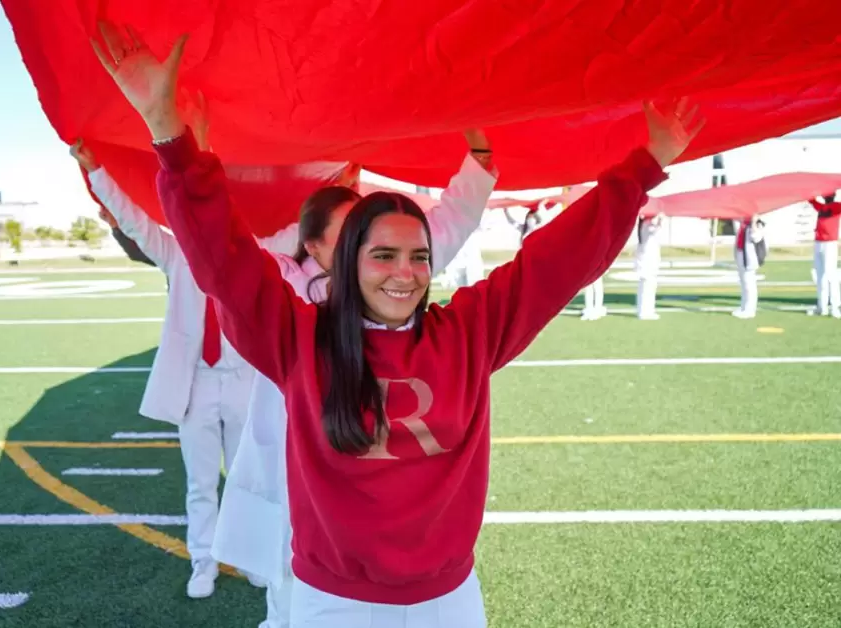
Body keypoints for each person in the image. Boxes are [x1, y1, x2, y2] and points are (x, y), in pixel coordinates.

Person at [91, 21, 703, 626]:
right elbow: (221, 260)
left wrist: (644, 167)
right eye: (383, 255)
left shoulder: (468, 332)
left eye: (418, 256)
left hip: (449, 600)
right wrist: (167, 130)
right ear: (345, 260)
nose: (404, 273)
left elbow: (558, 262)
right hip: (331, 603)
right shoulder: (298, 337)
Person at [216, 130, 496, 628]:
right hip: (296, 457)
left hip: (369, 497)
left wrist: (476, 164)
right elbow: (224, 260)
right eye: (353, 236)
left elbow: (446, 229)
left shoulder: (394, 282)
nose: (380, 253)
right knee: (287, 567)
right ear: (316, 245)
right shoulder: (282, 289)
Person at [70, 137, 301, 600]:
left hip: (243, 382)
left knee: (249, 477)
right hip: (194, 385)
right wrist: (96, 171)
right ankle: (203, 562)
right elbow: (132, 216)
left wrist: (344, 183)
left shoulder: (255, 249)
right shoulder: (174, 252)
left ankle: (254, 557)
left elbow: (303, 228)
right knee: (200, 483)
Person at [807, 194, 841, 318]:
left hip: (829, 244)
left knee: (830, 275)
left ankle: (835, 307)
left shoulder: (837, 206)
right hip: (818, 243)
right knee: (820, 274)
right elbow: (810, 199)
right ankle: (822, 307)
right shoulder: (821, 207)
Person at [732, 214, 766, 319]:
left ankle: (750, 310)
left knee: (749, 284)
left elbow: (756, 237)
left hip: (750, 258)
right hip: (741, 254)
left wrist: (754, 223)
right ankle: (743, 307)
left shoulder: (757, 223)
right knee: (743, 283)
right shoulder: (744, 222)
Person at [635, 213, 664, 320]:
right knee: (647, 288)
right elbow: (655, 231)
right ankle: (644, 312)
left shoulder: (645, 226)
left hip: (649, 263)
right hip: (647, 264)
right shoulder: (646, 226)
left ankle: (647, 310)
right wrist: (660, 220)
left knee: (647, 287)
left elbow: (656, 232)